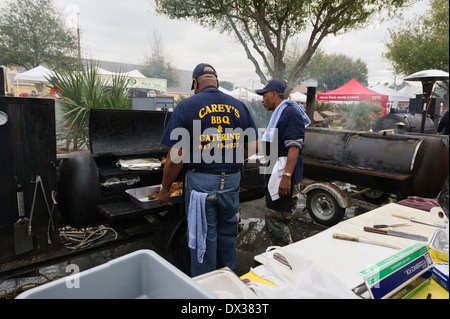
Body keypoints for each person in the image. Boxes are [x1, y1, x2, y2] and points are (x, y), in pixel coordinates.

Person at [157, 63, 258, 277]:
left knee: (203, 237)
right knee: (227, 235)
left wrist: (165, 189)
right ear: (217, 81)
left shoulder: (187, 106)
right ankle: (227, 283)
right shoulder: (239, 106)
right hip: (231, 182)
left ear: (195, 83)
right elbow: (253, 148)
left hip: (202, 185)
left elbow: (175, 158)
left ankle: (205, 288)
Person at [256, 79, 310, 246]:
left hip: (284, 177)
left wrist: (286, 177)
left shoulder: (289, 112)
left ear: (274, 94)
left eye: (264, 96)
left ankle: (283, 259)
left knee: (276, 220)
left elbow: (294, 146)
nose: (262, 100)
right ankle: (282, 253)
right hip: (276, 174)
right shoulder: (279, 113)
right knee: (278, 219)